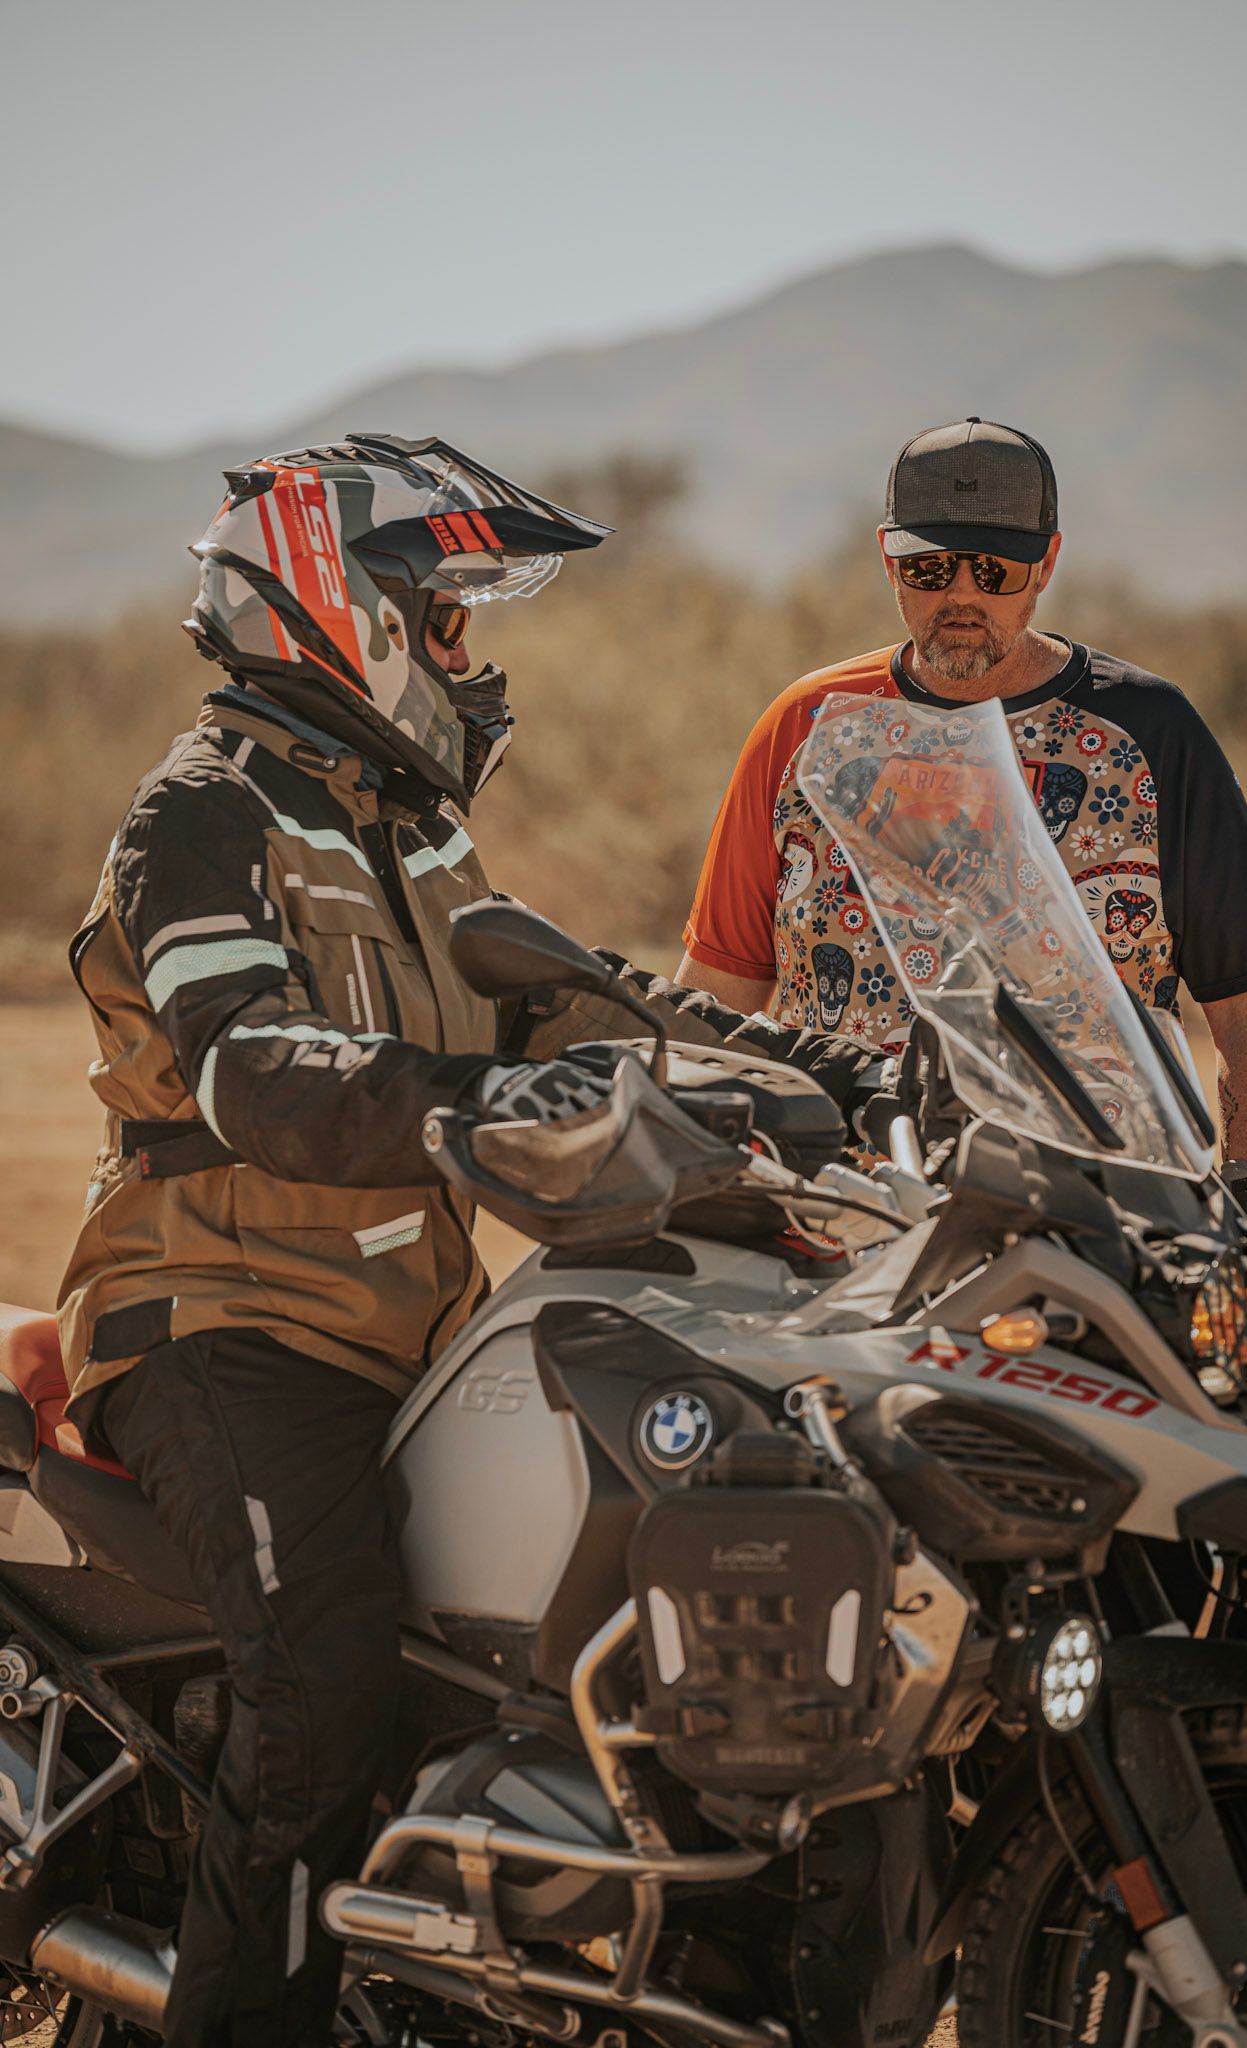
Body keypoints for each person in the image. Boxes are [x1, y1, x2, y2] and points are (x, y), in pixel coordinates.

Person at [55, 433, 866, 2046]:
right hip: (220, 1325)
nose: (467, 658)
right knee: (321, 1697)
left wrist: (829, 1074)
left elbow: (592, 1004)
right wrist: (478, 1097)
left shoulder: (411, 830)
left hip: (407, 1341)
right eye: (447, 619)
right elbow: (249, 1065)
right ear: (339, 608)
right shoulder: (201, 814)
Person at [677, 417, 1247, 1230]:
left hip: (1100, 1217)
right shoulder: (807, 728)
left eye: (995, 569)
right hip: (837, 1210)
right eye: (931, 566)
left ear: (1045, 563)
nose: (961, 595)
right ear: (888, 561)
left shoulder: (1149, 732)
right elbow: (717, 998)